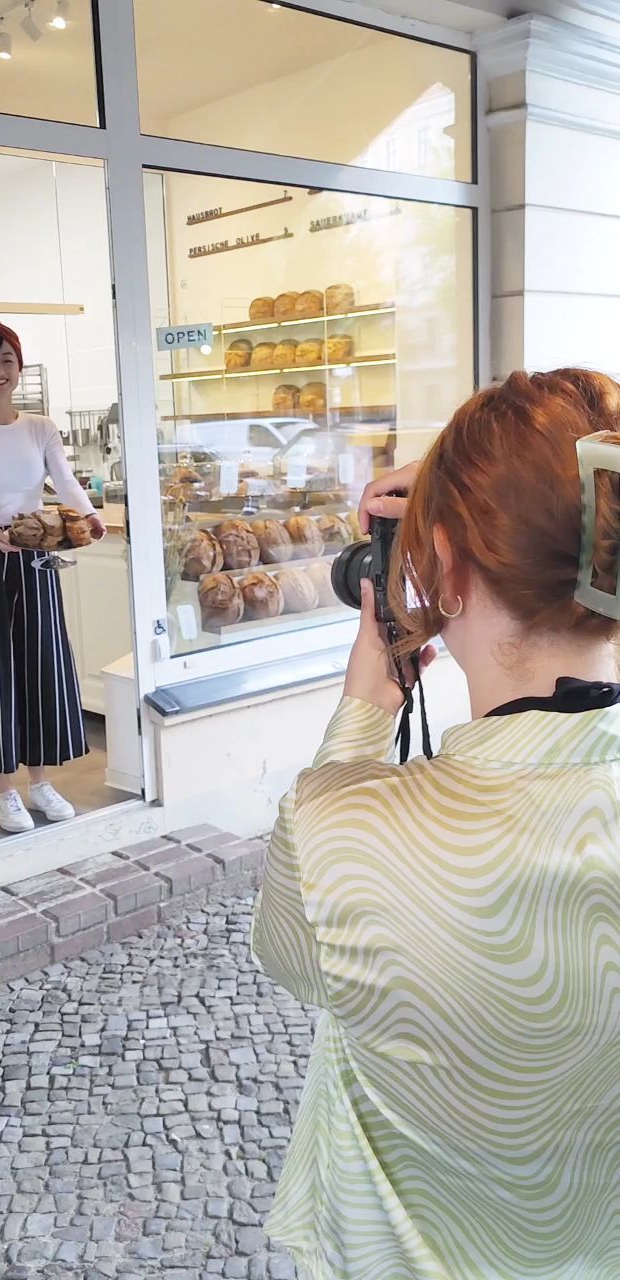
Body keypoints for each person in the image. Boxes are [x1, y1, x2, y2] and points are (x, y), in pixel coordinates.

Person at [252, 368, 620, 1280]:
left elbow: (290, 957)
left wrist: (361, 721)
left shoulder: (342, 826)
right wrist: (498, 504)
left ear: (444, 570)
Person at [0, 320, 106, 834]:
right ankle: (4, 790)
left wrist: (89, 515)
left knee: (42, 662)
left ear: (20, 368)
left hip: (36, 549)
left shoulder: (41, 426)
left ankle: (41, 781)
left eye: (7, 360)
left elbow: (62, 477)